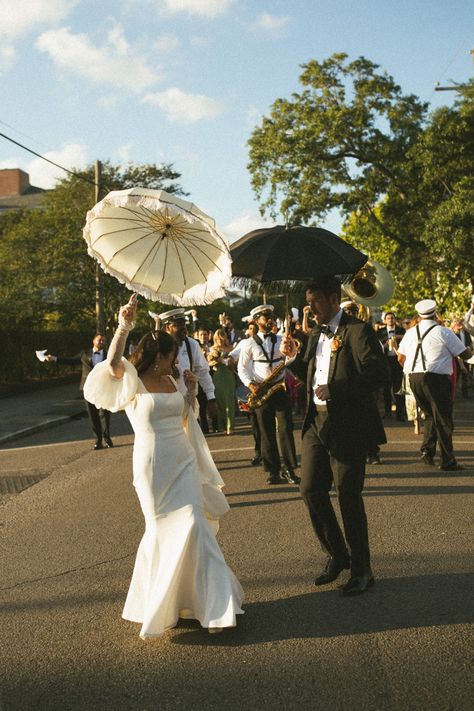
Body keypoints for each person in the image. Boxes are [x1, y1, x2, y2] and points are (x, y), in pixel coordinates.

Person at [83, 295, 244, 637]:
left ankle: (213, 608)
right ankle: (165, 605)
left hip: (183, 460)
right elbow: (112, 361)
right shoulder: (130, 380)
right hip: (152, 466)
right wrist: (124, 324)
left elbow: (185, 417)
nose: (175, 362)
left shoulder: (174, 380)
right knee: (160, 531)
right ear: (159, 356)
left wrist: (190, 391)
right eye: (171, 357)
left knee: (194, 525)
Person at [281, 276, 389, 596]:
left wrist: (337, 389)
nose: (310, 309)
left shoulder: (358, 330)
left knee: (347, 496)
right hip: (316, 422)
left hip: (349, 423)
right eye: (308, 302)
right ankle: (338, 554)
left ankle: (362, 569)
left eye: (314, 302)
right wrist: (291, 359)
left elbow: (378, 373)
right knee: (310, 489)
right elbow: (310, 373)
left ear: (332, 299)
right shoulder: (315, 332)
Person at [396, 299, 473, 471]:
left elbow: (400, 358)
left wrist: (412, 369)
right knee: (443, 418)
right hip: (436, 379)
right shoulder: (444, 332)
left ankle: (427, 452)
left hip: (414, 378)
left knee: (430, 415)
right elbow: (465, 355)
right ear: (434, 312)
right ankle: (447, 460)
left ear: (420, 315)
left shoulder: (410, 332)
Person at [237, 304, 299, 485]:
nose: (270, 319)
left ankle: (289, 469)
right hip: (261, 389)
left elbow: (290, 359)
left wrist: (291, 351)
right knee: (266, 432)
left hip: (280, 388)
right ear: (256, 321)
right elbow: (242, 368)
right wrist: (250, 384)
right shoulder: (248, 343)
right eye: (266, 317)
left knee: (286, 429)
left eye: (271, 316)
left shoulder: (282, 339)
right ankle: (273, 471)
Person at [44, 334, 113, 450]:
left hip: (103, 387)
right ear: (93, 340)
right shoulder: (84, 354)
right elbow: (71, 361)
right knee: (92, 414)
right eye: (99, 339)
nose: (102, 341)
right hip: (88, 388)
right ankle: (98, 441)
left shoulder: (108, 355)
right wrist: (54, 358)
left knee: (104, 414)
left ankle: (107, 439)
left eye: (104, 340)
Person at [156, 308, 219, 427]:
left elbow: (203, 372)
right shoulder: (157, 347)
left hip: (188, 404)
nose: (183, 328)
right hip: (164, 406)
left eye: (184, 324)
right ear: (167, 328)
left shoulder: (192, 345)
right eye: (177, 325)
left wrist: (211, 398)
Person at [377, 312, 406, 420]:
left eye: (392, 318)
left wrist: (397, 340)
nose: (390, 320)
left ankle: (400, 413)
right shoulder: (380, 332)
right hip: (385, 362)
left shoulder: (401, 331)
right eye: (388, 318)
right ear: (385, 320)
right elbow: (377, 347)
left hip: (397, 361)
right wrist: (385, 344)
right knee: (386, 388)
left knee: (398, 388)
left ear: (394, 319)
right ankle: (387, 412)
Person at [207, 329, 236, 434]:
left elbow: (234, 363)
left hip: (228, 376)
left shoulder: (231, 348)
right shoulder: (211, 349)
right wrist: (216, 359)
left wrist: (226, 361)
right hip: (217, 376)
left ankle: (230, 426)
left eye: (222, 337)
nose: (219, 340)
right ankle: (221, 426)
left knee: (229, 401)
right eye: (217, 338)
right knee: (219, 401)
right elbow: (208, 363)